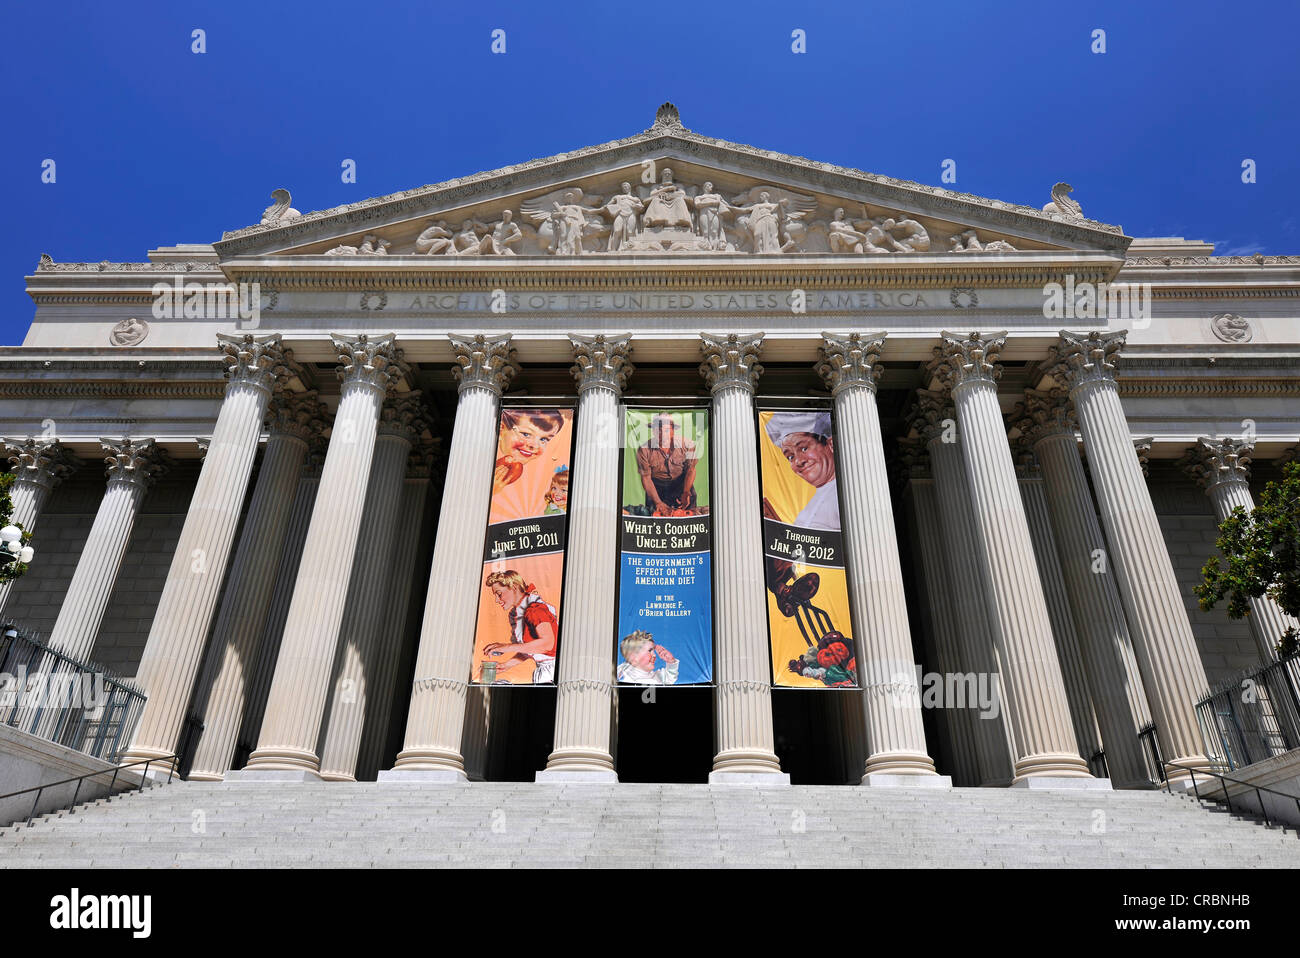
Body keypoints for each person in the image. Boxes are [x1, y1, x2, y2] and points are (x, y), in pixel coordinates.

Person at [761, 411, 839, 530]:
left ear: (831, 444)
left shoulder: (845, 494)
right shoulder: (808, 509)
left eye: (804, 448)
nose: (798, 461)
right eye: (790, 457)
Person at [482, 570, 558, 684]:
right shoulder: (517, 613)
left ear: (514, 587)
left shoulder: (535, 609)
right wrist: (506, 665)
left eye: (499, 593)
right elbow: (530, 649)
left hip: (554, 671)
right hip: (544, 671)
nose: (497, 600)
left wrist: (507, 647)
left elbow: (548, 644)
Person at [635, 412, 698, 513]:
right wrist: (658, 502)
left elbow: (691, 469)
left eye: (667, 430)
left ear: (673, 431)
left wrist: (686, 492)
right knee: (655, 517)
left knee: (689, 515)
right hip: (656, 487)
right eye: (659, 430)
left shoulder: (688, 445)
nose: (663, 434)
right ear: (653, 431)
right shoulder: (643, 450)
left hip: (681, 484)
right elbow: (646, 478)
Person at [494, 409, 565, 495]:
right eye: (526, 434)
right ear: (502, 428)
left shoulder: (540, 477)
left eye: (543, 439)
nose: (534, 446)